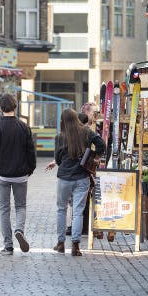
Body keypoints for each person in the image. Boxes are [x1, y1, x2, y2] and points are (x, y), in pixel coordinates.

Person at [46, 108, 106, 256]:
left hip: (64, 178)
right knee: (78, 212)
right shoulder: (86, 132)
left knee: (61, 210)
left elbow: (58, 159)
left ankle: (60, 244)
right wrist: (94, 157)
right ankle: (75, 246)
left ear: (63, 121)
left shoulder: (60, 137)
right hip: (82, 177)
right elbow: (101, 145)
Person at [0, 93, 36, 255]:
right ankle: (19, 229)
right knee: (20, 206)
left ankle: (8, 245)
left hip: (2, 175)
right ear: (15, 107)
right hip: (21, 174)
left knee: (4, 209)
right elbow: (30, 152)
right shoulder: (24, 127)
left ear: (0, 107)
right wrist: (30, 169)